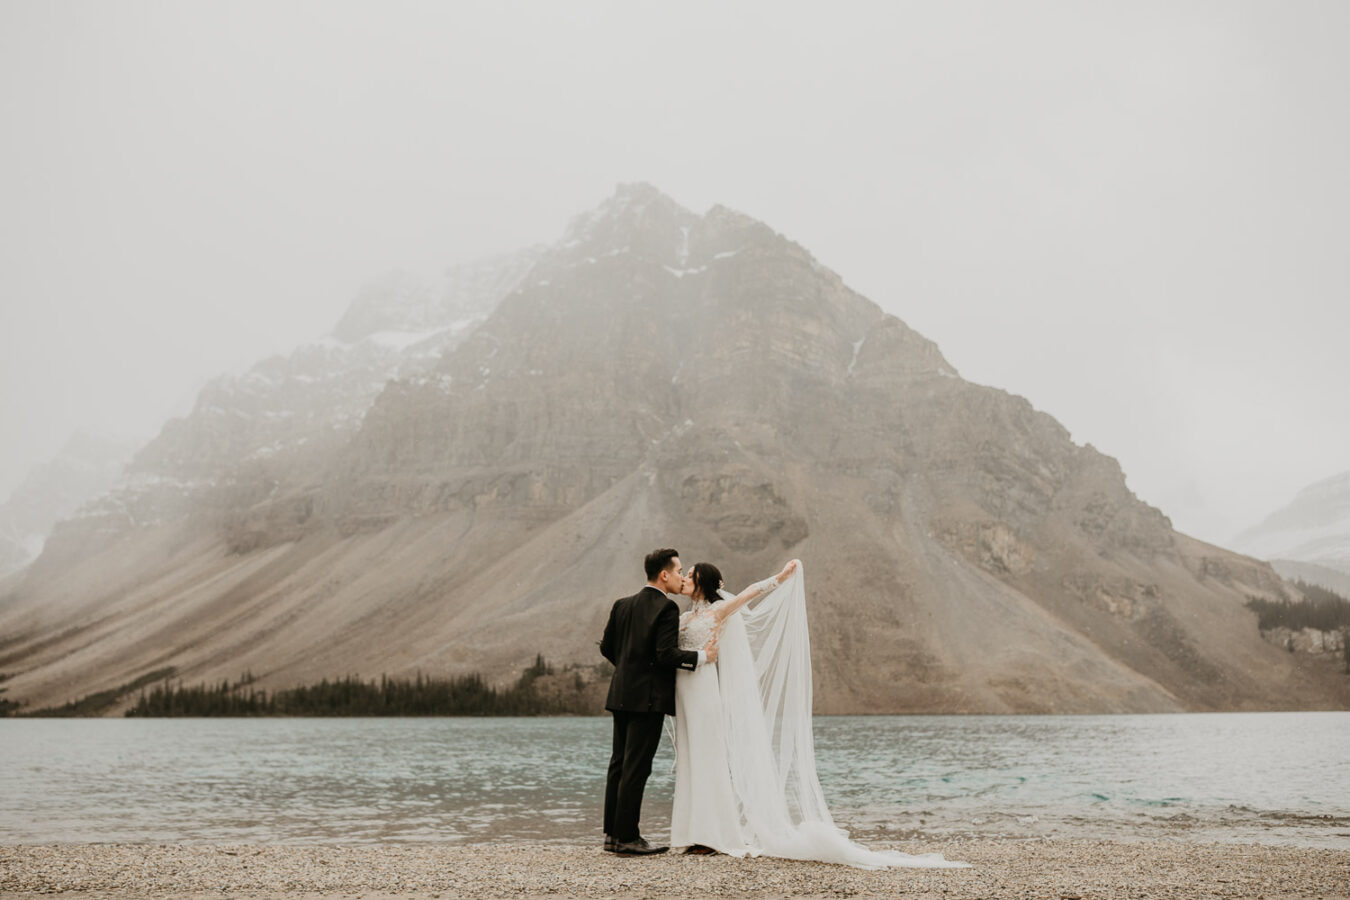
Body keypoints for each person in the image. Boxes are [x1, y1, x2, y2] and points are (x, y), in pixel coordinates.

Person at [670, 558, 970, 870]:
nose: (687, 578)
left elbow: (749, 592)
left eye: (691, 575)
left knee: (710, 762)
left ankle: (714, 835)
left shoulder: (720, 610)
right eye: (685, 574)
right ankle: (693, 833)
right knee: (694, 761)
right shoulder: (685, 616)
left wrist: (782, 577)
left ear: (703, 582)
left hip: (706, 695)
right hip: (687, 694)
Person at [599, 548, 719, 857]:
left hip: (621, 693)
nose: (682, 576)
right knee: (636, 768)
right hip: (647, 698)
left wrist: (629, 669)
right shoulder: (665, 609)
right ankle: (628, 838)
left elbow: (608, 648)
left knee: (618, 765)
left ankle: (612, 835)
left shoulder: (621, 605)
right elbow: (667, 655)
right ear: (664, 574)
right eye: (679, 571)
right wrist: (704, 657)